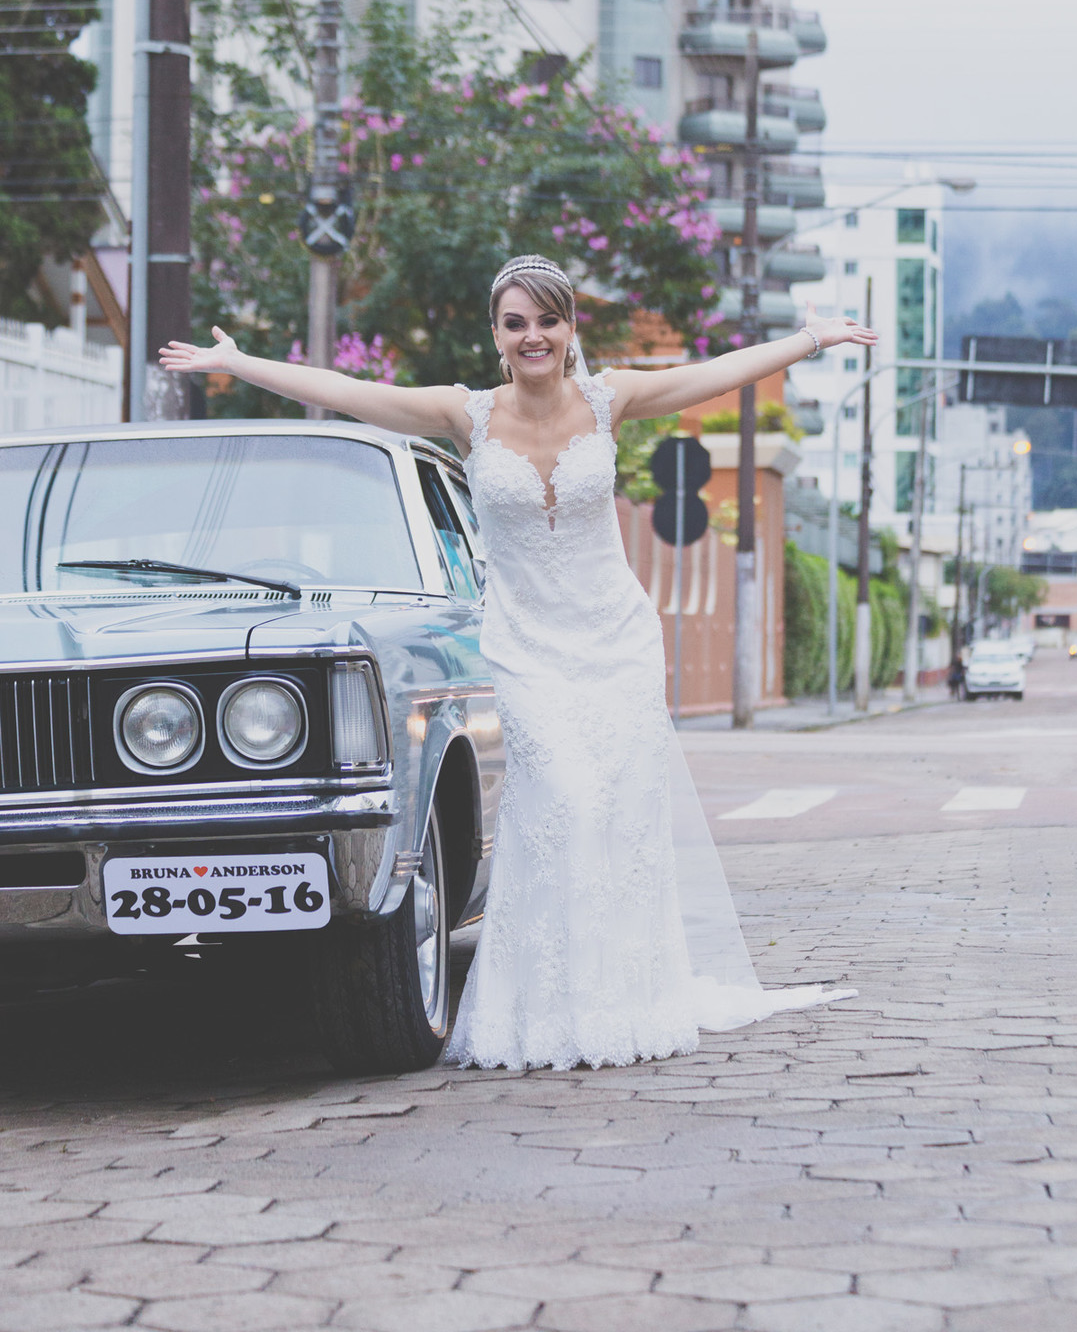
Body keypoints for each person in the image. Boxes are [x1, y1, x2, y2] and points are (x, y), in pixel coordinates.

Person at [161, 255, 877, 1070]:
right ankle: (541, 1007)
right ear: (496, 335)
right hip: (526, 648)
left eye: (547, 319)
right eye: (515, 322)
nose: (532, 336)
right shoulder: (465, 415)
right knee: (562, 805)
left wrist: (809, 339)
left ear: (570, 328)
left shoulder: (611, 400)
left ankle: (619, 1000)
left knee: (617, 820)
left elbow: (712, 376)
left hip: (615, 642)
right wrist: (237, 364)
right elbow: (347, 393)